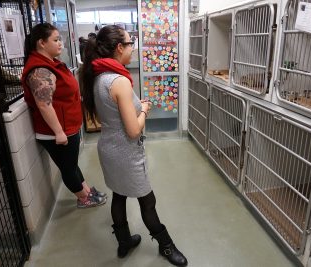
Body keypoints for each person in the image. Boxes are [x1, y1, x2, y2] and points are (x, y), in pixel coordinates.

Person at [80, 25, 188, 266]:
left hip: (108, 148)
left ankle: (124, 241)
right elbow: (133, 129)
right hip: (126, 153)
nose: (133, 48)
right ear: (119, 48)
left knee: (119, 196)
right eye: (131, 43)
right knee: (147, 202)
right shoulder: (119, 81)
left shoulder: (98, 75)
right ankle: (166, 246)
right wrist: (145, 110)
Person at [22, 23, 107, 209]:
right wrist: (59, 132)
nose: (60, 43)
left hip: (67, 127)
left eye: (60, 39)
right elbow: (44, 105)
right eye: (56, 40)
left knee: (72, 163)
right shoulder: (40, 70)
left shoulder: (51, 63)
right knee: (68, 168)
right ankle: (84, 198)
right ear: (41, 43)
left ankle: (86, 190)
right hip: (58, 132)